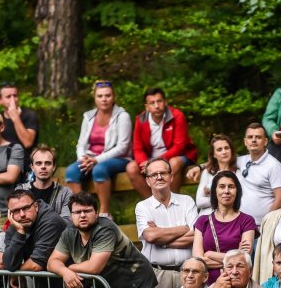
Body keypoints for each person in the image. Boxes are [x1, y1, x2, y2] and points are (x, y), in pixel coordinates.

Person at [136, 157, 198, 288]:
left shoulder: (187, 201)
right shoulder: (143, 207)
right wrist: (182, 229)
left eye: (163, 173)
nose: (159, 177)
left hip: (186, 273)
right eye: (154, 174)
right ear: (148, 181)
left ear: (171, 176)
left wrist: (161, 241)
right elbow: (150, 235)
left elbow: (195, 235)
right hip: (157, 274)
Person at [65, 80, 133, 218]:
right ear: (95, 98)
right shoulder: (88, 116)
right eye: (100, 96)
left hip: (118, 158)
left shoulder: (122, 116)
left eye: (108, 95)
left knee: (99, 170)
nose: (104, 99)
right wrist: (82, 159)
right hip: (90, 158)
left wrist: (96, 160)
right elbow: (81, 143)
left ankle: (104, 213)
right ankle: (83, 210)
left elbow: (122, 146)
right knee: (71, 171)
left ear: (113, 97)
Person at [125, 88, 197, 197]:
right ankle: (154, 204)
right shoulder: (141, 120)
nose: (156, 106)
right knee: (131, 167)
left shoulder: (177, 116)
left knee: (174, 163)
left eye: (159, 101)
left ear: (165, 102)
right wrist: (145, 162)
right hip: (150, 159)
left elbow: (179, 146)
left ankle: (173, 203)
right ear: (147, 106)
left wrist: (156, 162)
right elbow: (137, 148)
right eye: (152, 103)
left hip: (180, 156)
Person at [192, 171, 257, 285]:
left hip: (237, 284)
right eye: (222, 186)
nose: (226, 191)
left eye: (231, 187)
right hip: (208, 285)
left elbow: (244, 258)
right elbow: (198, 261)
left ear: (237, 191)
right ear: (215, 191)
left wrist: (209, 254)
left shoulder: (247, 221)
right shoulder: (202, 221)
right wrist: (233, 258)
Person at [237, 123, 281, 226]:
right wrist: (200, 167)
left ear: (265, 141)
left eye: (258, 137)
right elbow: (220, 161)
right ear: (245, 142)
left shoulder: (274, 165)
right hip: (240, 226)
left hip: (262, 226)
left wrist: (266, 222)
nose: (254, 140)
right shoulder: (240, 161)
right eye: (250, 137)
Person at [16, 145, 73, 219]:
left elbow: (67, 221)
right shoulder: (21, 190)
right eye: (39, 163)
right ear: (32, 167)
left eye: (48, 163)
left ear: (54, 167)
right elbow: (17, 218)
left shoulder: (65, 193)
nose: (43, 167)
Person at [0, 81, 40, 176]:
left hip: (26, 164)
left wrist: (15, 117)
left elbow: (28, 143)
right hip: (3, 163)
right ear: (0, 100)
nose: (13, 100)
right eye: (8, 97)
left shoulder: (29, 115)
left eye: (15, 96)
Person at [188, 134, 237, 216]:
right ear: (214, 154)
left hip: (228, 217)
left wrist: (212, 195)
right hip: (206, 216)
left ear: (231, 150)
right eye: (219, 149)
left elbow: (238, 199)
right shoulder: (208, 173)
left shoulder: (238, 172)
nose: (224, 152)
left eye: (226, 148)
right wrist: (224, 199)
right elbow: (199, 202)